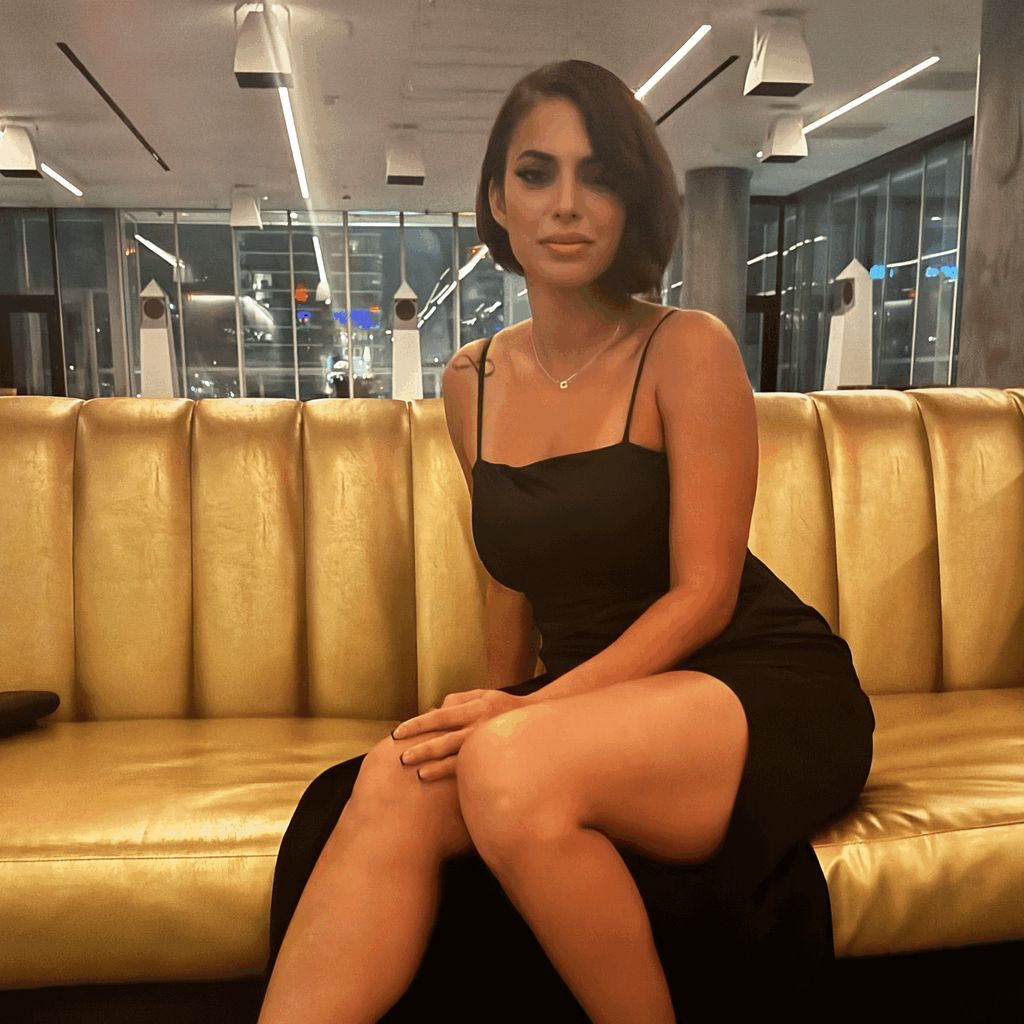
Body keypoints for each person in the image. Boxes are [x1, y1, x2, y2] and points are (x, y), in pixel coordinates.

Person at [258, 59, 875, 1023]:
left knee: (504, 764)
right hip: (588, 700)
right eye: (537, 173)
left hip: (749, 677)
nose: (568, 204)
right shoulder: (471, 381)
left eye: (601, 176)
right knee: (392, 776)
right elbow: (512, 580)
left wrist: (520, 719)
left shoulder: (688, 347)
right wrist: (501, 698)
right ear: (497, 199)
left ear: (634, 201)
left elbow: (705, 596)